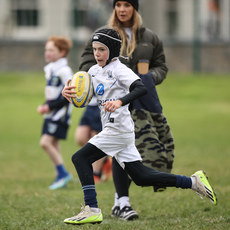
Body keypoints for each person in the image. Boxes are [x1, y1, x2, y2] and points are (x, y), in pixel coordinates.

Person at [62, 28, 217, 225]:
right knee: (142, 177)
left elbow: (140, 87)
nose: (97, 54)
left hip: (118, 130)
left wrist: (120, 101)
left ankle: (91, 208)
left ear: (112, 50)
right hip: (117, 132)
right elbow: (86, 98)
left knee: (80, 157)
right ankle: (193, 182)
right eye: (94, 49)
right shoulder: (93, 71)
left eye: (101, 49)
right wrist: (70, 94)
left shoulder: (120, 70)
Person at [78, 0, 174, 220]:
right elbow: (86, 63)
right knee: (119, 148)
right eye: (118, 4)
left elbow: (161, 65)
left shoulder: (149, 37)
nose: (122, 9)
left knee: (138, 153)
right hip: (111, 101)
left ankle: (119, 202)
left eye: (127, 4)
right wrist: (95, 81)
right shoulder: (104, 35)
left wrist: (148, 78)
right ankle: (122, 201)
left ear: (135, 8)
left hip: (140, 100)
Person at [37, 36, 73, 190]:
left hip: (60, 115)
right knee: (54, 144)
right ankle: (60, 176)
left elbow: (69, 95)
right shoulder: (51, 69)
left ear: (62, 52)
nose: (48, 53)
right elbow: (53, 93)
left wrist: (49, 107)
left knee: (45, 143)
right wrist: (46, 105)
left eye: (52, 50)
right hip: (51, 114)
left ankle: (63, 174)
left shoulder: (64, 71)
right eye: (47, 50)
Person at [75, 96, 112, 184]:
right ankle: (105, 160)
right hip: (89, 105)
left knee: (97, 138)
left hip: (102, 104)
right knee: (81, 138)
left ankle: (95, 174)